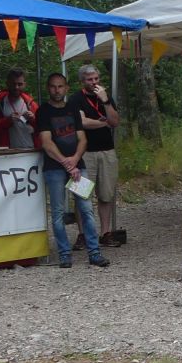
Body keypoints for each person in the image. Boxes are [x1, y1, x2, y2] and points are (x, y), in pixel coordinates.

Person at [34, 72, 108, 269]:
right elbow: (46, 142)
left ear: (66, 88)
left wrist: (74, 161)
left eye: (60, 86)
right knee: (58, 211)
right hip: (54, 168)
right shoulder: (43, 111)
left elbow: (82, 139)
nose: (57, 90)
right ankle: (64, 254)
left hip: (78, 166)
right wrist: (67, 164)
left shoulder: (73, 108)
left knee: (86, 208)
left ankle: (94, 252)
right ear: (48, 88)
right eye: (53, 86)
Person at [75, 64, 121, 245]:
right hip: (84, 153)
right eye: (89, 79)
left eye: (96, 79)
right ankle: (83, 234)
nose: (94, 82)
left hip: (107, 150)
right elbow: (82, 122)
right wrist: (103, 123)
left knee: (106, 194)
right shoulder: (76, 99)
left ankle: (105, 233)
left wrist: (106, 102)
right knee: (82, 194)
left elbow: (115, 121)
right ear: (82, 81)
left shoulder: (106, 97)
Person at [0, 68, 38, 149]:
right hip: (6, 153)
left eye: (20, 84)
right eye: (13, 84)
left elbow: (43, 130)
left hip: (31, 151)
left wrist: (33, 120)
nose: (16, 87)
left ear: (25, 84)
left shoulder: (32, 104)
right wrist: (6, 121)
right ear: (7, 83)